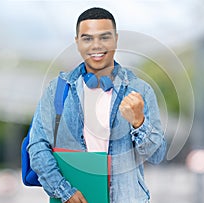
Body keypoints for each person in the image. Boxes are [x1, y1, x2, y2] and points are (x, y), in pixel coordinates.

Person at [28, 7, 167, 203]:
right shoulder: (57, 90)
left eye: (104, 37)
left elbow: (157, 156)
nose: (96, 45)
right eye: (87, 38)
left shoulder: (140, 90)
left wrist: (139, 122)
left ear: (116, 39)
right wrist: (64, 191)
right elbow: (37, 147)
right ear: (77, 42)